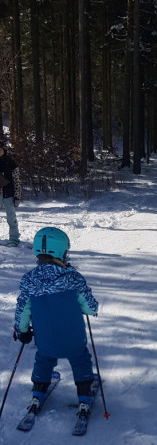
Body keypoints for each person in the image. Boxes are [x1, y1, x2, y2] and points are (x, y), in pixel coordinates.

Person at [13, 226, 99, 417]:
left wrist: (22, 330)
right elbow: (90, 308)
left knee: (43, 358)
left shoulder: (29, 281)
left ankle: (37, 392)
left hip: (45, 342)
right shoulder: (73, 279)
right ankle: (84, 394)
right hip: (74, 340)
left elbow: (22, 310)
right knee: (80, 358)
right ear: (61, 251)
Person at [0, 139, 22, 246]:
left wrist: (17, 196)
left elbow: (17, 180)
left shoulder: (11, 162)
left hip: (8, 193)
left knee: (11, 217)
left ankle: (14, 238)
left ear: (4, 150)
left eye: (0, 149)